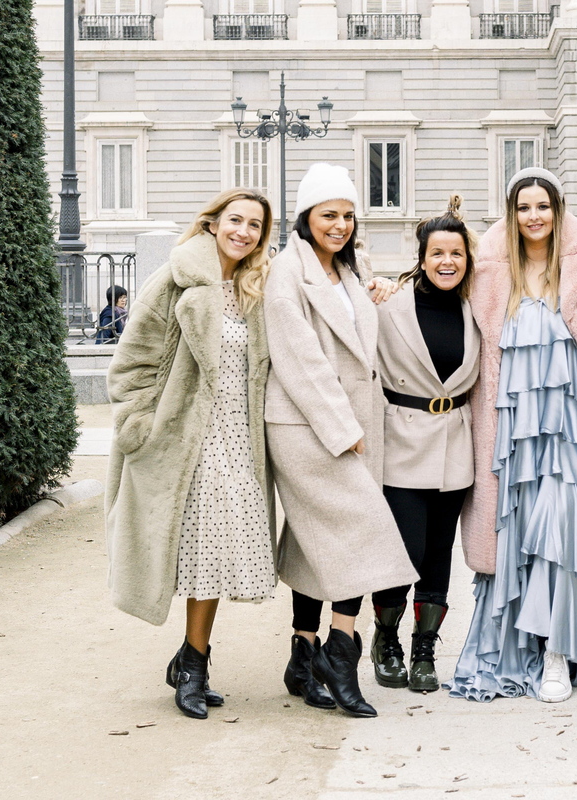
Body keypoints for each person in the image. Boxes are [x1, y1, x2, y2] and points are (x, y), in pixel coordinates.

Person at [449, 168, 577, 704]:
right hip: (511, 438)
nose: (534, 216)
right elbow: (435, 290)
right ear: (511, 214)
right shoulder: (486, 274)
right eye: (524, 207)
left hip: (569, 437)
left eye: (543, 206)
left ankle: (557, 653)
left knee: (562, 539)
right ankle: (513, 647)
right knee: (516, 539)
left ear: (558, 211)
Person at [105, 188, 276, 720]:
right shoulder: (175, 279)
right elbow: (130, 363)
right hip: (185, 440)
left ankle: (189, 658)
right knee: (204, 551)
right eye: (235, 220)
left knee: (218, 552)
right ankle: (194, 666)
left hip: (238, 438)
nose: (243, 231)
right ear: (212, 223)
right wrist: (139, 427)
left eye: (254, 225)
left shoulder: (254, 287)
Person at [264, 163, 418, 718]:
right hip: (308, 425)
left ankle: (302, 653)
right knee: (363, 529)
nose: (340, 225)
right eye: (329, 214)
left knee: (316, 538)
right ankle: (340, 650)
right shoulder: (287, 271)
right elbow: (299, 358)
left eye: (349, 215)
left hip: (353, 420)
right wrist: (343, 430)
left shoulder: (352, 269)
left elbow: (361, 335)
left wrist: (380, 291)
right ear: (305, 217)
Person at [368, 195, 481, 693]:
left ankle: (424, 650)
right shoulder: (389, 306)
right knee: (403, 551)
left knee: (438, 554)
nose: (447, 262)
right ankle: (386, 639)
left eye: (456, 253)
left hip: (455, 442)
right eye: (437, 253)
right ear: (422, 257)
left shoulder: (477, 308)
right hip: (403, 441)